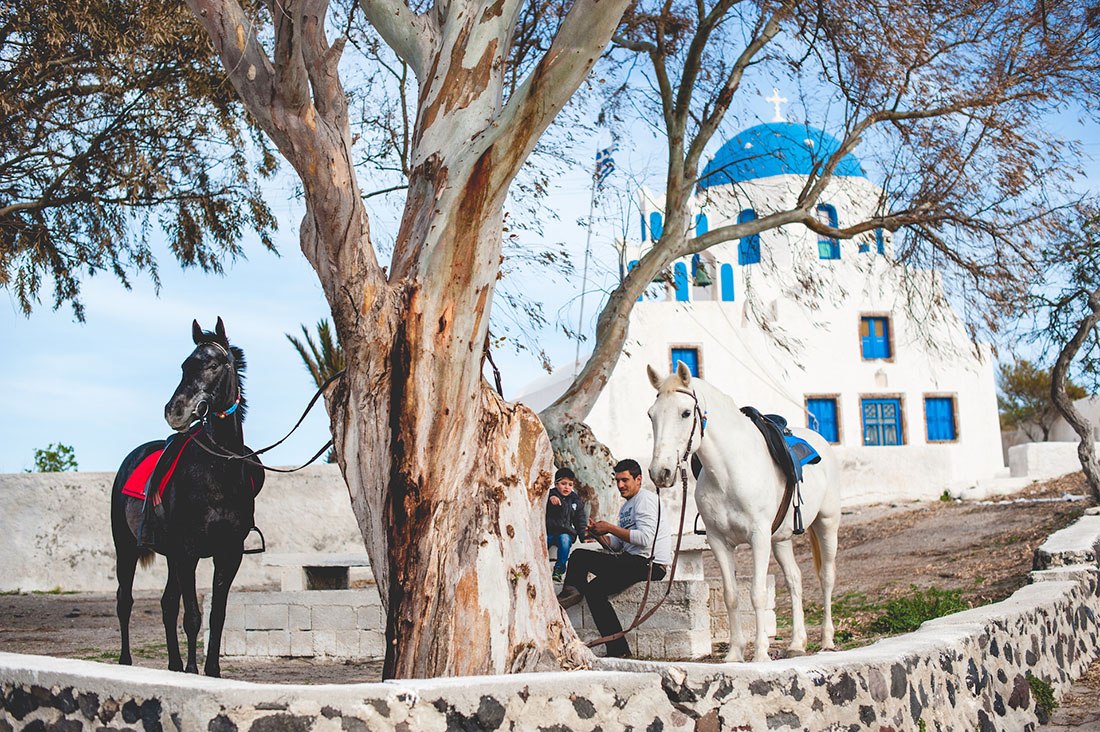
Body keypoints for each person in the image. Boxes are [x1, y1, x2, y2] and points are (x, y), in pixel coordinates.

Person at [557, 458, 672, 658]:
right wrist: (598, 535)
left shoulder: (645, 500)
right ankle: (619, 650)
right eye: (617, 480)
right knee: (594, 591)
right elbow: (618, 545)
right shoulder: (626, 507)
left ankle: (571, 592)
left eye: (625, 480)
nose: (620, 485)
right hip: (632, 561)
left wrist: (609, 527)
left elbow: (645, 539)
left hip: (648, 564)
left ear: (638, 479)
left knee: (579, 557)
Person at [545, 467, 586, 583]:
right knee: (544, 542)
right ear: (556, 484)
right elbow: (542, 502)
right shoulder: (550, 495)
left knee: (564, 541)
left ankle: (558, 570)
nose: (567, 487)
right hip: (549, 531)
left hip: (564, 532)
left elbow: (580, 520)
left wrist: (585, 537)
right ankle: (538, 565)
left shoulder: (575, 500)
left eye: (570, 484)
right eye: (563, 484)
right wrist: (550, 498)